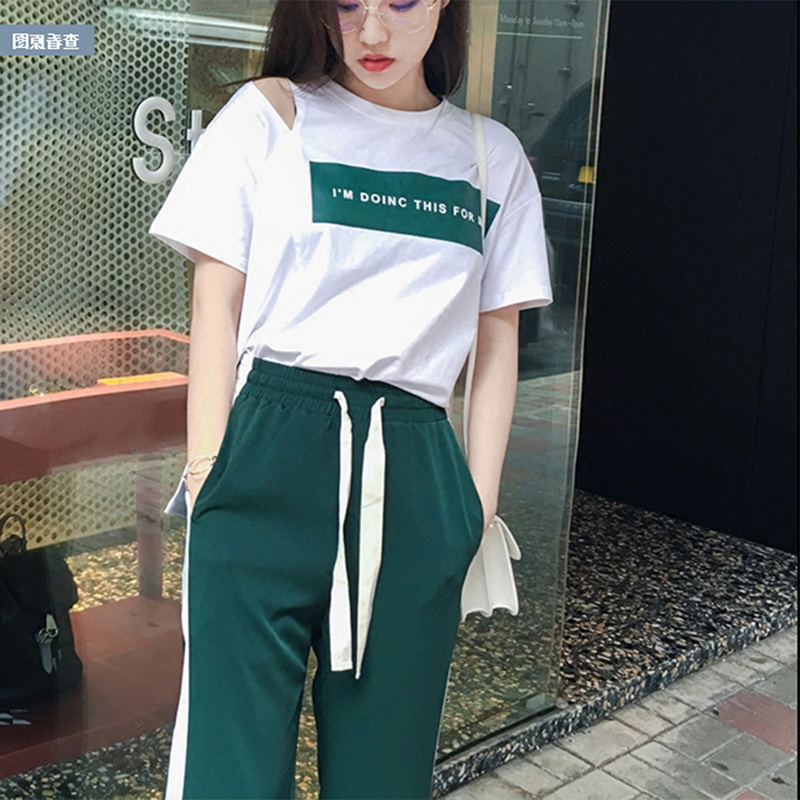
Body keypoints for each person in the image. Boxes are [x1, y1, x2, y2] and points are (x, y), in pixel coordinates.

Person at [148, 0, 552, 797]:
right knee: (229, 773)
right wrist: (207, 476)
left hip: (413, 476)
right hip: (265, 458)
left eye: (400, 2)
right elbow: (215, 305)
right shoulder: (268, 117)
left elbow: (497, 341)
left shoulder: (490, 158)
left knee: (384, 776)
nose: (371, 33)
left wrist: (474, 508)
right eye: (347, 4)